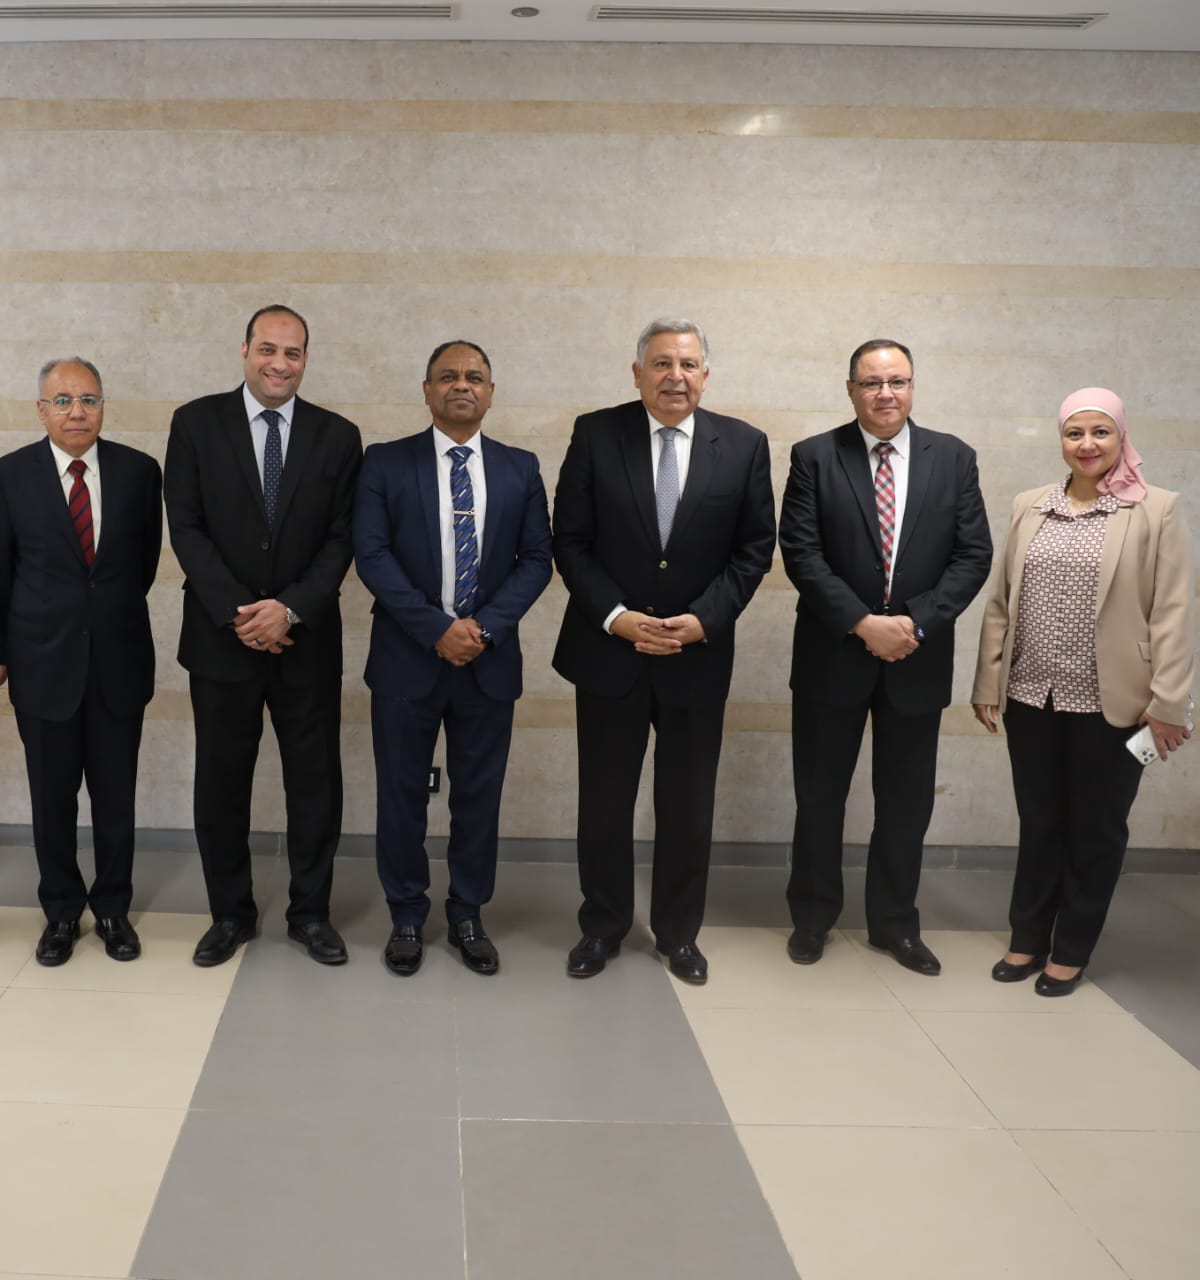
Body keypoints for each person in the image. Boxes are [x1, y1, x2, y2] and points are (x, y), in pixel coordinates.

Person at [552, 318, 776, 985]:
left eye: (688, 364)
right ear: (637, 373)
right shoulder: (596, 434)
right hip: (609, 653)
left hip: (695, 657)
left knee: (687, 805)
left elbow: (753, 549)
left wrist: (704, 620)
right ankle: (602, 927)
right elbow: (570, 539)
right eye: (660, 364)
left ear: (706, 374)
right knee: (604, 803)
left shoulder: (744, 445)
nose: (675, 376)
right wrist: (617, 617)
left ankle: (680, 934)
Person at [972, 388, 1194, 996]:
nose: (1087, 444)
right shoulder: (1030, 506)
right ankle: (1027, 937)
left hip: (1114, 704)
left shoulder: (1155, 509)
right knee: (1039, 821)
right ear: (1061, 440)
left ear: (1121, 437)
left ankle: (1070, 948)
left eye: (1100, 432)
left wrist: (1168, 704)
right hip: (1031, 696)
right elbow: (1001, 601)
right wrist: (988, 679)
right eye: (1075, 433)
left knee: (1096, 829)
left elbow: (1174, 613)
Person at [779, 339, 991, 975]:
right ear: (850, 390)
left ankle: (895, 924)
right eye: (871, 382)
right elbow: (801, 553)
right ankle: (812, 918)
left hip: (916, 660)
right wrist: (863, 623)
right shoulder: (815, 457)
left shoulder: (953, 458)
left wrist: (914, 624)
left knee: (906, 803)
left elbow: (973, 555)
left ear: (913, 386)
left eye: (896, 381)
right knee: (820, 797)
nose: (885, 393)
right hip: (832, 655)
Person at [164, 305, 362, 968]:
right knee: (222, 783)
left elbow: (342, 539)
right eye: (269, 349)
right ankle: (230, 913)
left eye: (293, 352)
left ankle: (311, 914)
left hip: (307, 641)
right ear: (245, 350)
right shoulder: (195, 424)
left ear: (306, 359)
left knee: (315, 784)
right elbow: (186, 527)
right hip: (221, 641)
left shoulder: (338, 436)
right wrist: (242, 613)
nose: (280, 363)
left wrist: (290, 609)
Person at [353, 341, 552, 976]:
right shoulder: (385, 462)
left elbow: (537, 560)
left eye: (474, 377)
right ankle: (407, 915)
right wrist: (436, 628)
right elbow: (372, 555)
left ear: (490, 392)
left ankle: (468, 912)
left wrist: (483, 630)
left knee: (478, 797)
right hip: (406, 659)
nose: (461, 385)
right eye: (447, 376)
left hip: (487, 663)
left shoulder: (521, 468)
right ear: (427, 389)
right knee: (401, 795)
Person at [0, 358, 161, 965]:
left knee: (116, 797)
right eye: (63, 401)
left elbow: (143, 565)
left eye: (88, 399)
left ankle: (114, 908)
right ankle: (62, 912)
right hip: (42, 664)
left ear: (103, 407)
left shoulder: (140, 472)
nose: (77, 412)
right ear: (41, 410)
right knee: (52, 799)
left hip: (119, 660)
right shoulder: (9, 475)